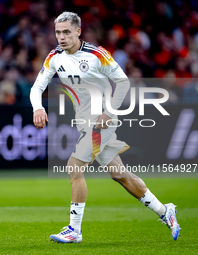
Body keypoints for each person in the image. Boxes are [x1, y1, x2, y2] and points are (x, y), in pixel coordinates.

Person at [29, 12, 180, 243]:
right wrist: (37, 108)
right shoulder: (54, 57)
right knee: (119, 174)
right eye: (58, 32)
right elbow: (37, 87)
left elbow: (123, 82)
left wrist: (109, 112)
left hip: (101, 122)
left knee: (74, 167)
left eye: (66, 32)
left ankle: (74, 230)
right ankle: (164, 211)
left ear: (78, 31)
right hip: (84, 123)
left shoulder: (97, 54)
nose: (61, 37)